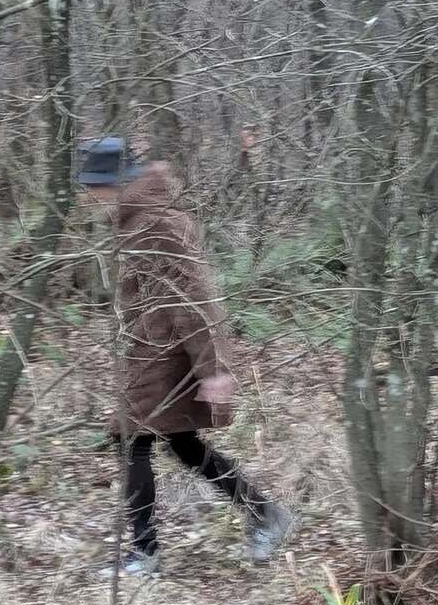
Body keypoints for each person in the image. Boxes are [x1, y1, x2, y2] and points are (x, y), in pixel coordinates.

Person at [77, 137, 294, 575]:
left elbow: (194, 297)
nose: (89, 197)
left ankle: (145, 553)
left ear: (112, 183)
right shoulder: (136, 220)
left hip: (166, 354)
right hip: (152, 350)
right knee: (180, 442)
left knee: (131, 439)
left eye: (93, 187)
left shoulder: (155, 224)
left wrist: (213, 369)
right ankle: (264, 514)